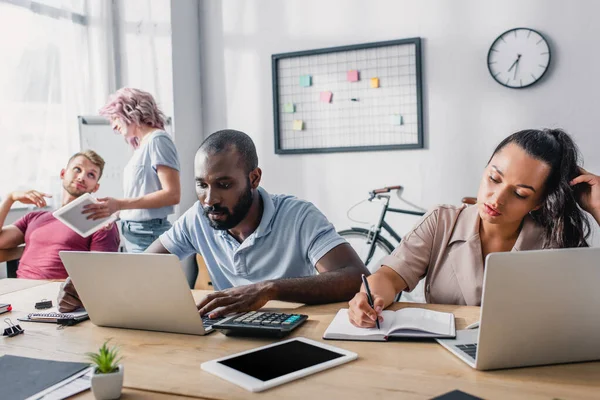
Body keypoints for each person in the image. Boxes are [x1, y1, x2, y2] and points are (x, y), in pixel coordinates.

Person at [58, 130, 369, 315]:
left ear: (254, 178)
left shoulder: (299, 216)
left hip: (297, 333)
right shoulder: (198, 217)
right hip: (229, 334)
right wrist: (91, 287)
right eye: (201, 184)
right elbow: (143, 266)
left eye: (223, 184)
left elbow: (357, 277)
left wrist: (268, 289)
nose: (209, 199)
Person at [348, 128, 600, 328]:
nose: (497, 199)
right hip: (442, 356)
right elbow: (388, 277)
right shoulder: (442, 221)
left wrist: (598, 207)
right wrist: (371, 300)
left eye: (520, 193)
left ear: (539, 202)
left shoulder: (554, 240)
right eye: (494, 178)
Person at [82, 88, 181, 252]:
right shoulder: (141, 146)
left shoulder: (158, 140)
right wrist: (113, 214)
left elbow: (172, 194)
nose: (113, 126)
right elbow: (140, 197)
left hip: (148, 233)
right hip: (134, 232)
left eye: (114, 118)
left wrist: (119, 204)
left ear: (130, 112)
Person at [0, 151, 120, 279]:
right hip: (18, 290)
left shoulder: (99, 223)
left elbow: (99, 277)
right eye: (77, 169)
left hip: (57, 294)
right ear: (63, 173)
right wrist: (10, 198)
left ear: (95, 188)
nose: (81, 177)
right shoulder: (34, 218)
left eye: (91, 175)